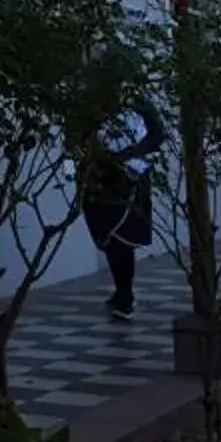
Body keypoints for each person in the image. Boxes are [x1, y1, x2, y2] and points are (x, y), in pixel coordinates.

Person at [79, 94, 166, 320]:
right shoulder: (96, 103)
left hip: (131, 178)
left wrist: (125, 156)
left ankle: (126, 294)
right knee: (108, 236)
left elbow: (157, 136)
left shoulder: (139, 103)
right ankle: (121, 290)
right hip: (102, 178)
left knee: (123, 237)